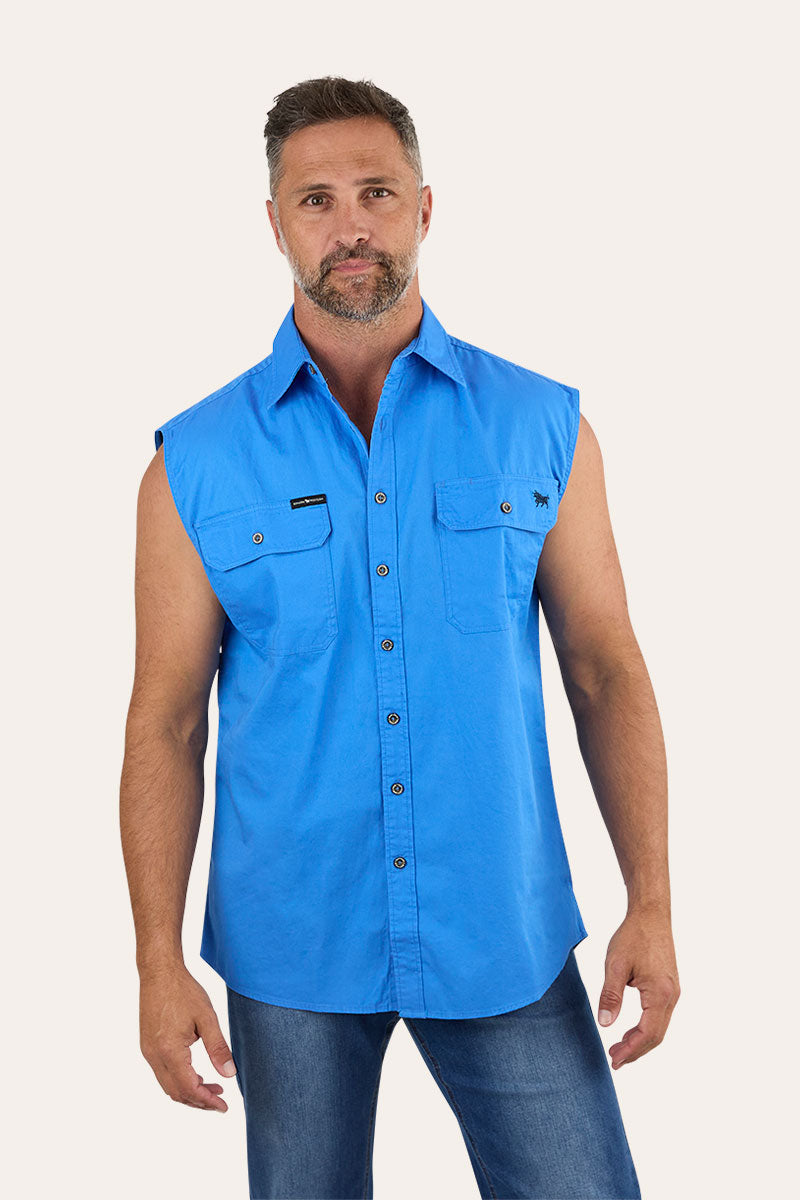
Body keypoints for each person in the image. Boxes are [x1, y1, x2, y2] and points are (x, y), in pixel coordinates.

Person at [120, 75, 679, 1199]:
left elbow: (605, 672)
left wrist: (652, 903)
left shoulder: (541, 427)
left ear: (425, 208)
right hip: (290, 938)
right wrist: (156, 962)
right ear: (275, 224)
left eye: (376, 192)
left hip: (501, 927)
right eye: (316, 200)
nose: (351, 226)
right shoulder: (195, 461)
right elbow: (166, 722)